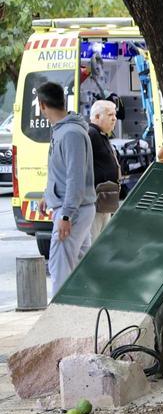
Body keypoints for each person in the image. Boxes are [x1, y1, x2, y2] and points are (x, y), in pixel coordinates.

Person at [38, 82, 96, 296]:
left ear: (42, 105)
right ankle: (80, 316)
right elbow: (62, 171)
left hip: (73, 210)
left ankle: (59, 322)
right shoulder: (64, 130)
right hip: (73, 209)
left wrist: (65, 214)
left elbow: (75, 180)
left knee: (60, 270)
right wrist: (48, 194)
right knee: (79, 270)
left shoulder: (70, 133)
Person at [87, 99, 122, 241]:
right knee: (93, 242)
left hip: (104, 201)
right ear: (96, 117)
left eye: (115, 114)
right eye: (110, 115)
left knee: (102, 241)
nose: (114, 118)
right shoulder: (91, 134)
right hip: (95, 202)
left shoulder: (101, 135)